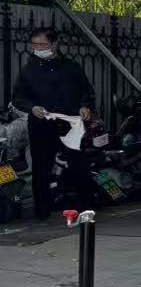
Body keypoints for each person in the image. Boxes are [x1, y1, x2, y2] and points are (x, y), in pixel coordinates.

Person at [11, 28, 95, 218]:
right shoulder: (29, 69)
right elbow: (18, 97)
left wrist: (85, 106)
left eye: (42, 44)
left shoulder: (71, 67)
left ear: (54, 44)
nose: (37, 48)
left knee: (78, 164)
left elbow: (86, 91)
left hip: (70, 123)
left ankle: (84, 207)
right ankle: (42, 210)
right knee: (41, 167)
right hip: (41, 124)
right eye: (34, 45)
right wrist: (32, 108)